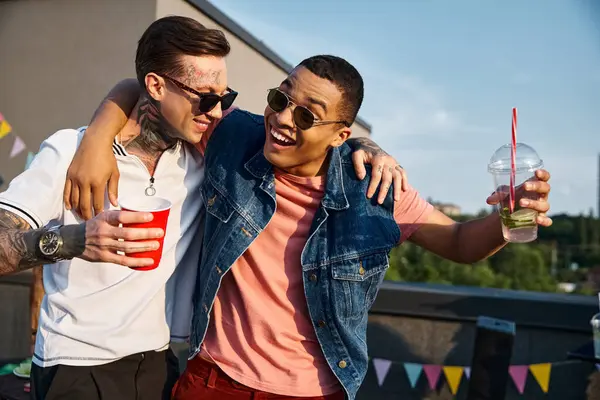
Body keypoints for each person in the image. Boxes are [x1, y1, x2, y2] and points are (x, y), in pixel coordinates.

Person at [65, 55, 552, 399]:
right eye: (280, 98)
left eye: (306, 115)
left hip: (314, 391)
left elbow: (462, 243)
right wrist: (96, 140)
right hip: (213, 381)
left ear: (341, 135)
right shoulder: (234, 136)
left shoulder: (374, 189)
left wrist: (509, 217)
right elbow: (146, 88)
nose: (281, 119)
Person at [0, 16, 232, 400]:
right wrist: (73, 241)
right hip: (76, 364)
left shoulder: (202, 156)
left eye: (226, 97)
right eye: (206, 98)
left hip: (158, 363)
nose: (217, 111)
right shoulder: (69, 152)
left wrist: (366, 149)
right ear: (156, 86)